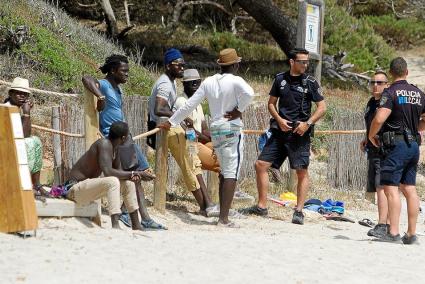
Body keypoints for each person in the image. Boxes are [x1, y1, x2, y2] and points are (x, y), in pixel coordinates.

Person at [159, 48, 255, 227]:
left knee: (224, 171)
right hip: (231, 128)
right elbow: (249, 93)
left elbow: (189, 105)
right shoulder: (236, 80)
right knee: (231, 173)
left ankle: (221, 214)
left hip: (217, 128)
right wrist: (239, 110)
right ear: (235, 65)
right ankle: (224, 219)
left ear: (220, 64)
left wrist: (171, 122)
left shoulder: (209, 81)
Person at [240, 47, 326, 225]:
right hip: (279, 132)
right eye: (302, 61)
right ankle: (262, 206)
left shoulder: (311, 82)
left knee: (301, 172)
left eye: (307, 62)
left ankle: (299, 210)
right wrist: (278, 120)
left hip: (299, 134)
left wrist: (307, 124)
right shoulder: (280, 79)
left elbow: (322, 107)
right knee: (261, 164)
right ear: (292, 62)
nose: (305, 65)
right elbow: (271, 103)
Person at [82, 55, 165, 230]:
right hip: (115, 139)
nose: (127, 75)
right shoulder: (104, 85)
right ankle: (136, 216)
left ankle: (134, 214)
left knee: (140, 175)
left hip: (125, 138)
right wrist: (100, 96)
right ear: (113, 71)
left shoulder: (118, 89)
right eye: (124, 71)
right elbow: (86, 78)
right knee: (136, 176)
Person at [148, 48, 217, 216]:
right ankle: (206, 204)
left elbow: (201, 128)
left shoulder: (195, 102)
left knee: (195, 163)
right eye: (178, 65)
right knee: (191, 164)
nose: (181, 68)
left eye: (198, 83)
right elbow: (159, 109)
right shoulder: (176, 96)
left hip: (187, 136)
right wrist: (181, 117)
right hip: (173, 132)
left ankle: (209, 202)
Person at [368, 57, 425, 244]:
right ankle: (411, 233)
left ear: (391, 74)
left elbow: (379, 118)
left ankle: (393, 233)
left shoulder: (390, 92)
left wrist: (371, 135)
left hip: (396, 145)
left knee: (391, 188)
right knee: (409, 188)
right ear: (407, 72)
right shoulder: (419, 93)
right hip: (414, 146)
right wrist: (416, 127)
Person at [175, 69, 254, 202]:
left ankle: (228, 194)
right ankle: (228, 195)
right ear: (184, 84)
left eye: (197, 82)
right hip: (189, 144)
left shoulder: (197, 104)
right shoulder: (181, 102)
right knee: (220, 162)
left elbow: (204, 129)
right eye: (191, 82)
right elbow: (191, 133)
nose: (195, 84)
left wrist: (217, 139)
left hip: (201, 141)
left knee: (225, 153)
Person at [65, 121, 155, 230]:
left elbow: (119, 172)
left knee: (129, 183)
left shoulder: (115, 149)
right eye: (128, 136)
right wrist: (134, 173)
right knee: (112, 181)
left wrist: (133, 176)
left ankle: (136, 225)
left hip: (88, 190)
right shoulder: (104, 144)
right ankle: (115, 225)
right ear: (123, 138)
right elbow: (108, 172)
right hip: (74, 190)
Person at [360, 71, 390, 238]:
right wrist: (366, 138)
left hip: (384, 149)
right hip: (372, 148)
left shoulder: (388, 102)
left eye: (379, 82)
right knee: (378, 187)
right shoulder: (371, 102)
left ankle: (382, 224)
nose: (375, 85)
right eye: (373, 82)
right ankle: (386, 223)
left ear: (387, 85)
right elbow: (371, 123)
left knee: (382, 187)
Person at [3, 77, 44, 196]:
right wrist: (26, 114)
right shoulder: (6, 108)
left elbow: (27, 133)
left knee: (36, 141)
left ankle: (36, 184)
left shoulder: (16, 108)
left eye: (25, 94)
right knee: (28, 143)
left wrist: (26, 113)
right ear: (11, 93)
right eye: (18, 93)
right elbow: (23, 136)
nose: (22, 96)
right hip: (5, 147)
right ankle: (24, 183)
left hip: (12, 145)